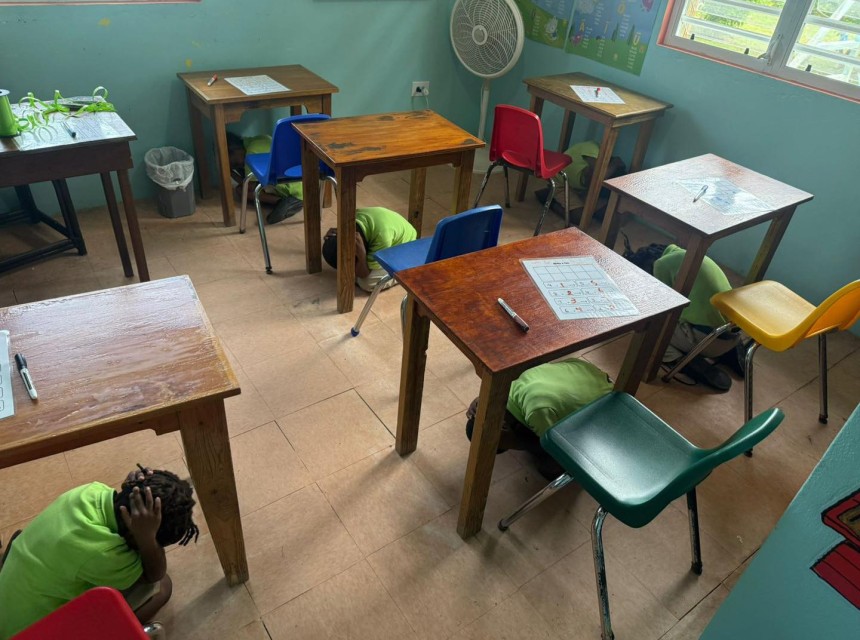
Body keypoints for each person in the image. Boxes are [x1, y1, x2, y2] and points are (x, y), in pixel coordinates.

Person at [0, 466, 199, 638]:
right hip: (26, 633)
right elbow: (154, 575)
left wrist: (129, 490)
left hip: (8, 603)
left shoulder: (92, 490)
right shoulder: (106, 553)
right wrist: (148, 539)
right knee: (162, 588)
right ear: (136, 532)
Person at [466, 358, 614, 479]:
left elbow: (558, 448)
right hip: (582, 367)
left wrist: (518, 443)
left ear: (503, 427)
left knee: (550, 468)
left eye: (503, 445)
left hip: (607, 394)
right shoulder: (508, 386)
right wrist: (484, 401)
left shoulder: (537, 412)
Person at [627, 241, 744, 391]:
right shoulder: (692, 256)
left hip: (708, 341)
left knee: (650, 330)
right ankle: (727, 352)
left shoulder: (660, 266)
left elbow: (658, 310)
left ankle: (680, 360)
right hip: (732, 332)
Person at [322, 206, 417, 292]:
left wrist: (362, 256)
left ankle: (403, 273)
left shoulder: (381, 238)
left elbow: (363, 274)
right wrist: (338, 232)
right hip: (388, 230)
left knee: (367, 283)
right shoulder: (351, 221)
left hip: (406, 248)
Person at [226, 132, 304, 225]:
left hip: (290, 186)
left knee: (241, 190)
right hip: (300, 179)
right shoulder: (261, 139)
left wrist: (231, 174)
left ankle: (283, 201)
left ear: (235, 149)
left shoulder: (251, 153)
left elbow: (249, 187)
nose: (239, 166)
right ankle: (285, 202)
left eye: (235, 163)